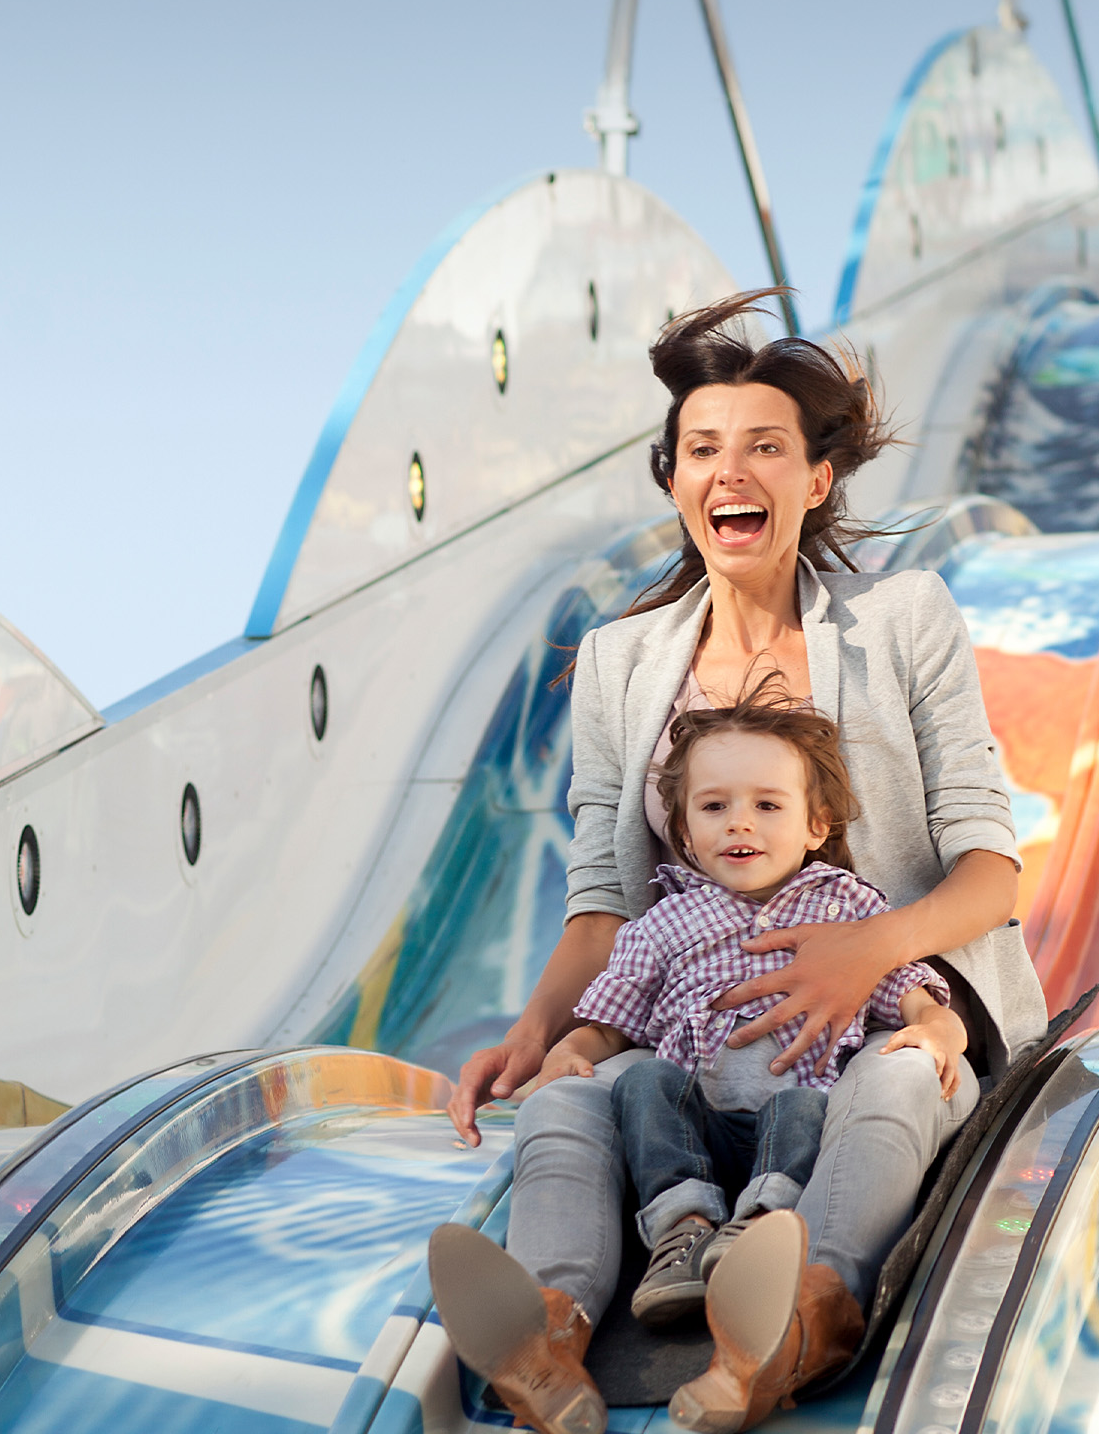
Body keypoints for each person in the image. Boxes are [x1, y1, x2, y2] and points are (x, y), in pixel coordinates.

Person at [432, 287, 1049, 1434]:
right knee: (571, 1101)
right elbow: (606, 903)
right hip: (690, 1037)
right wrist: (536, 1035)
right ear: (673, 481)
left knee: (895, 1082)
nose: (731, 470)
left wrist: (870, 956)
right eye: (702, 449)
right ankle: (551, 1333)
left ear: (816, 481)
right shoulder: (623, 664)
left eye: (765, 446)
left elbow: (991, 871)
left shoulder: (904, 617)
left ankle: (807, 1309)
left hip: (890, 1017)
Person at [545, 686, 967, 1329]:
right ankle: (682, 1234)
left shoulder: (844, 907)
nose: (740, 823)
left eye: (768, 805)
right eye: (715, 806)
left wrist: (937, 1025)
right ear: (684, 831)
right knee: (643, 1081)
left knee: (800, 1110)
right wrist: (573, 1048)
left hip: (799, 1119)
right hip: (698, 1124)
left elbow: (900, 984)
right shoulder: (666, 920)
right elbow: (612, 1021)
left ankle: (760, 1233)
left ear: (814, 825)